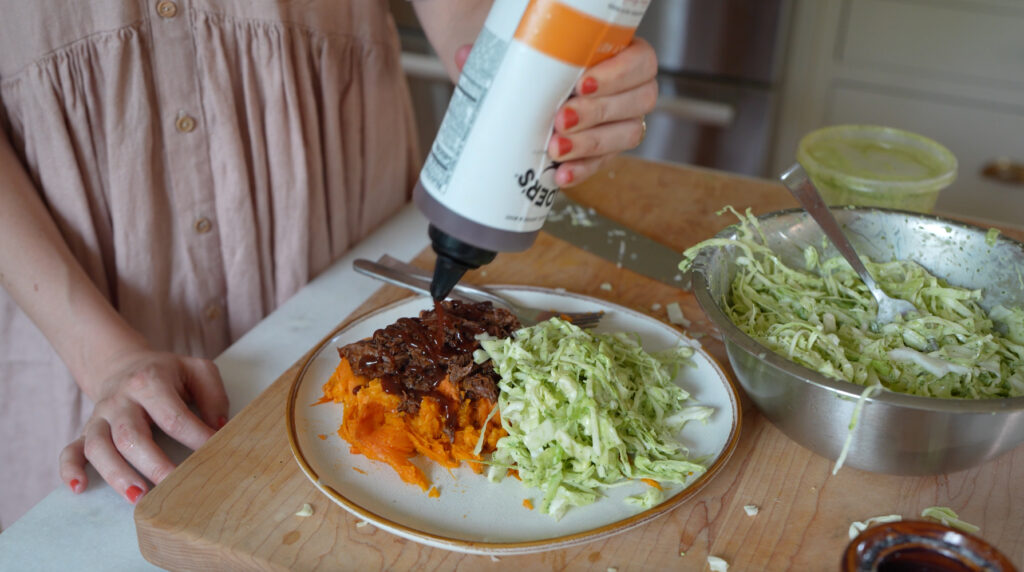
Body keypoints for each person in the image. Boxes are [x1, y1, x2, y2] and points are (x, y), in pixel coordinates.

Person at [0, 0, 657, 528]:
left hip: (338, 226)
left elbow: (471, 20)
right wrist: (105, 358)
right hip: (67, 285)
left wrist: (538, 80)